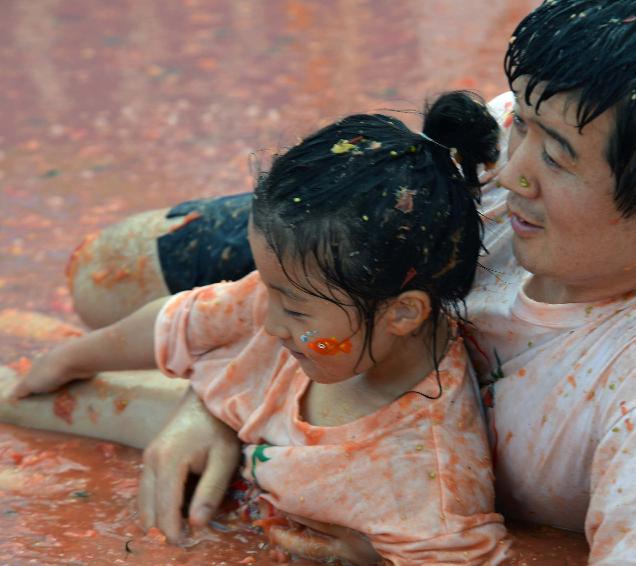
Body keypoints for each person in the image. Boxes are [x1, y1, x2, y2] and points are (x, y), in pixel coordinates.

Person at [19, 0, 636, 564]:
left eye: (554, 155)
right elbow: (321, 263)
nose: (507, 170)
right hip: (357, 324)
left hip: (422, 455)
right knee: (103, 276)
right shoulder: (517, 146)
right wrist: (219, 398)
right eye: (519, 120)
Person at [8, 92, 512, 564]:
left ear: (404, 313)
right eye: (267, 290)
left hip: (271, 488)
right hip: (236, 442)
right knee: (20, 397)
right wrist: (66, 360)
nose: (268, 322)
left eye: (292, 310)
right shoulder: (303, 300)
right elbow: (176, 320)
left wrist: (376, 557)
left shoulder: (425, 484)